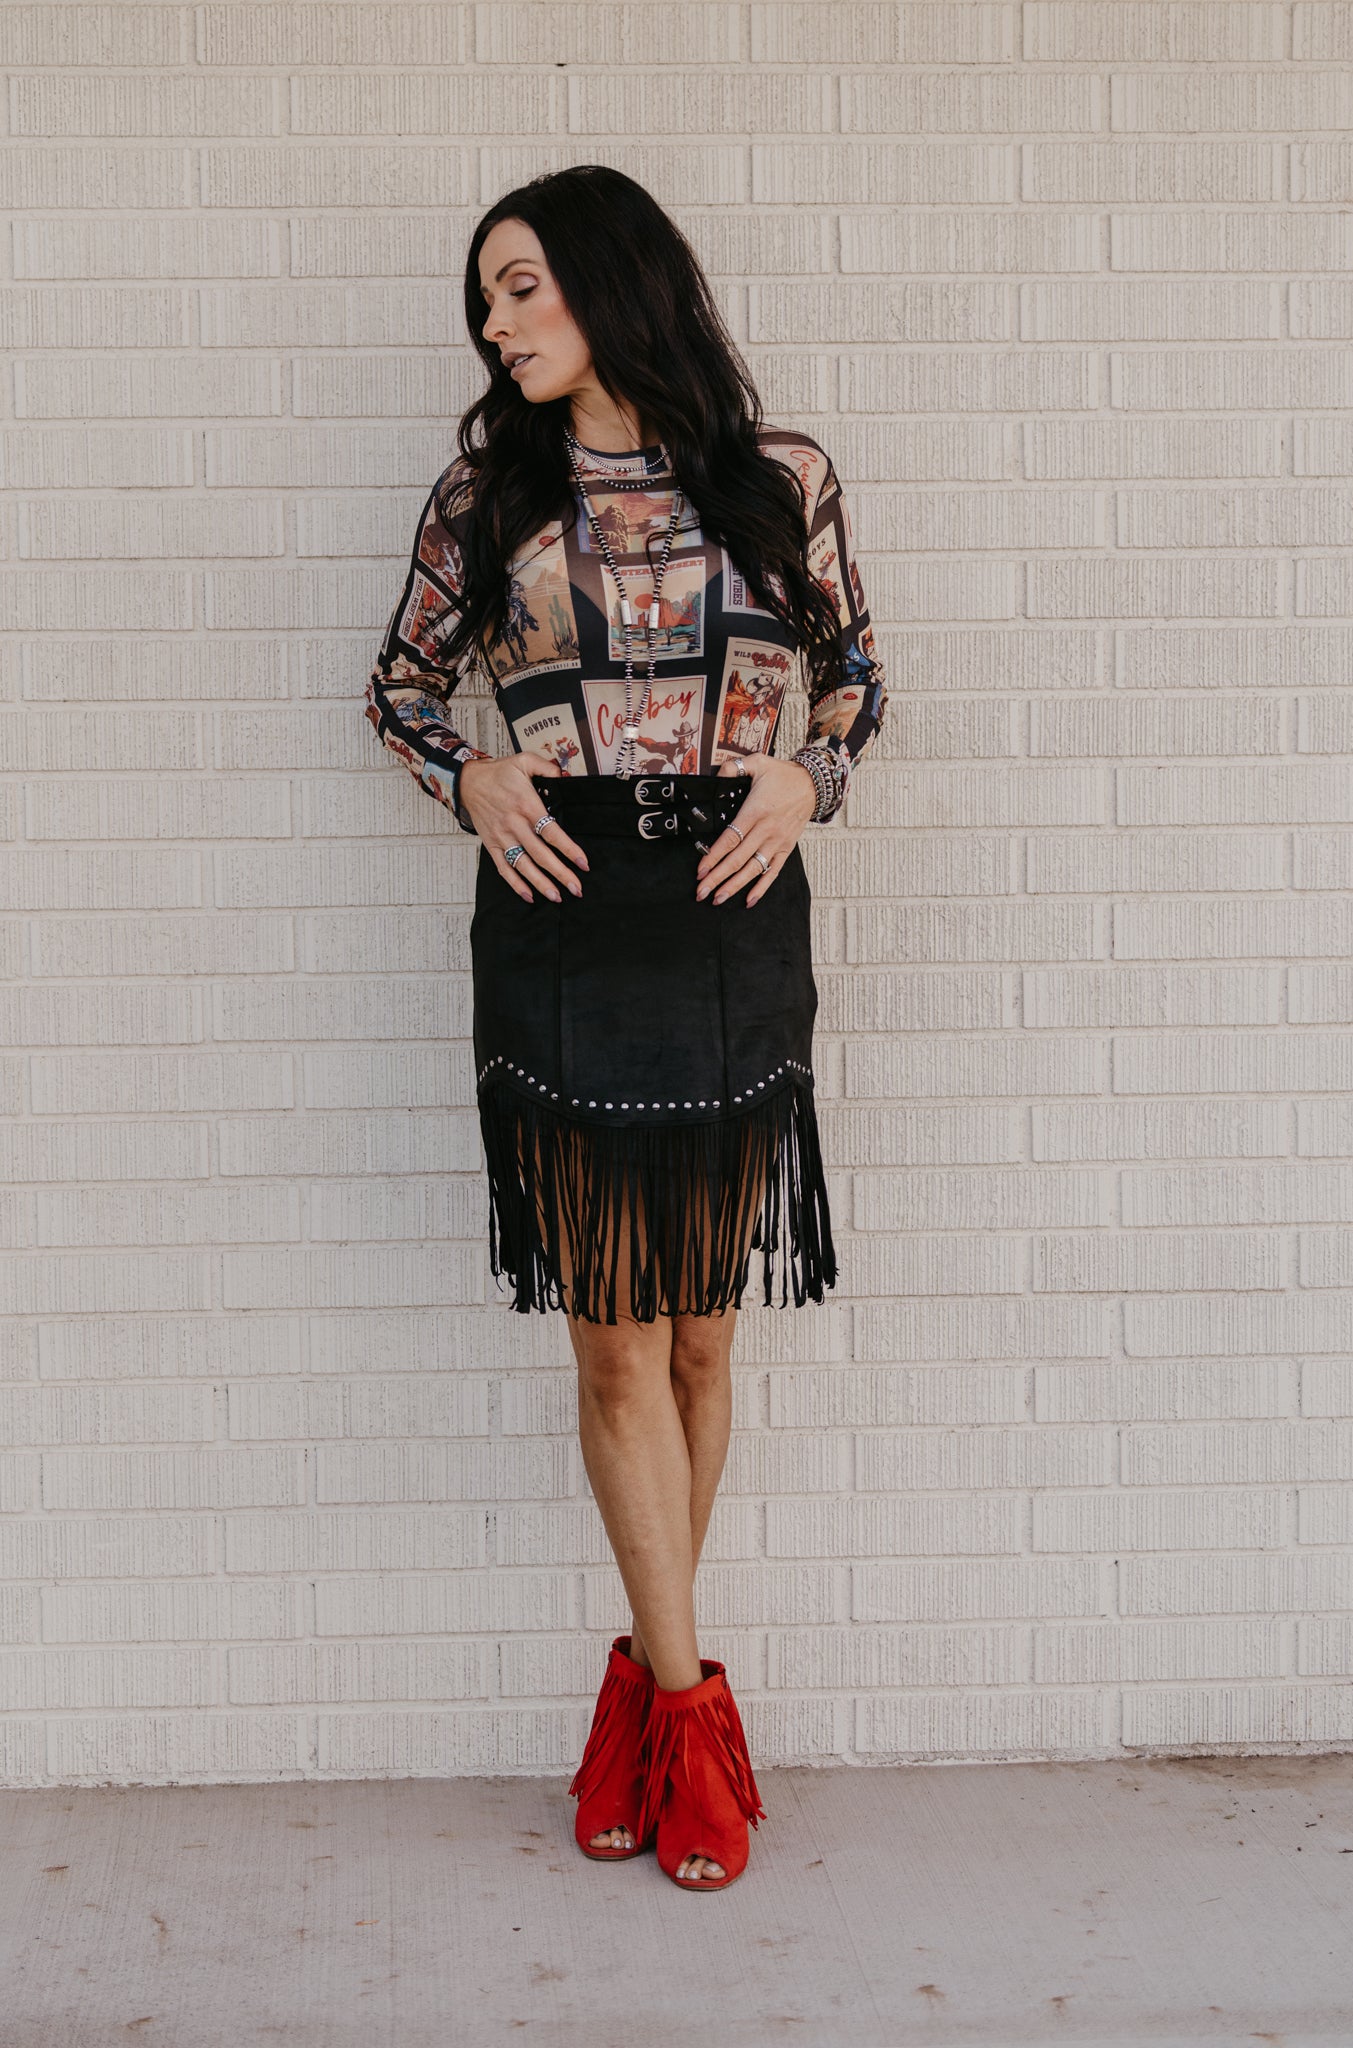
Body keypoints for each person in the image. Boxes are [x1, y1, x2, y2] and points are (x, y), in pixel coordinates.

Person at [366, 166, 886, 1892]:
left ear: (609, 278)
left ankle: (637, 1718)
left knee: (701, 1346)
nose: (496, 323)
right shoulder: (486, 490)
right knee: (609, 1344)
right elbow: (394, 686)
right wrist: (477, 766)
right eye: (486, 299)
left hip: (734, 920)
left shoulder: (778, 480)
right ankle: (688, 1727)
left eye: (520, 287)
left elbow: (862, 679)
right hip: (561, 921)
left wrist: (809, 775)